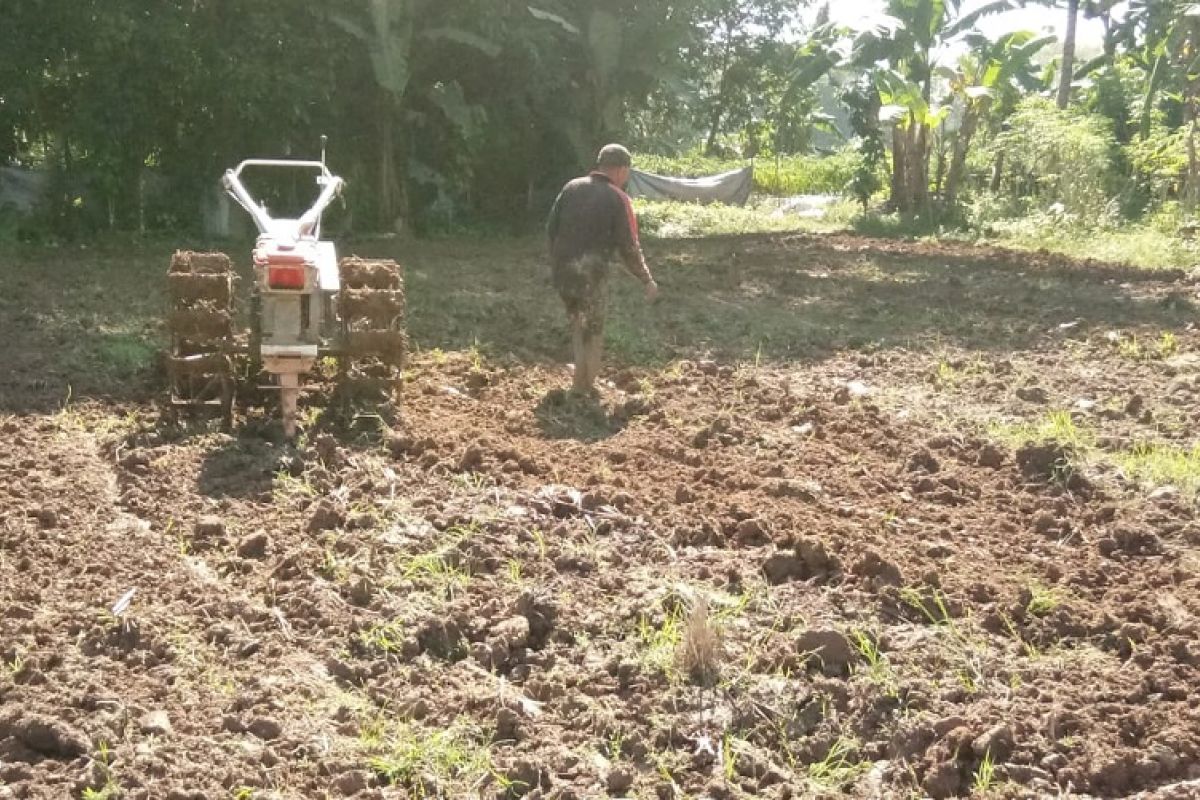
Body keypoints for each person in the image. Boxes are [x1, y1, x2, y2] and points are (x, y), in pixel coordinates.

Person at [546, 143, 659, 394]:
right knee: (594, 330)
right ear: (621, 170)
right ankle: (585, 387)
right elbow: (629, 245)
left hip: (563, 270)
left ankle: (580, 381)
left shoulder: (570, 188)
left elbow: (551, 230)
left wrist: (558, 261)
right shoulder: (618, 198)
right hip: (592, 273)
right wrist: (646, 280)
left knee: (577, 322)